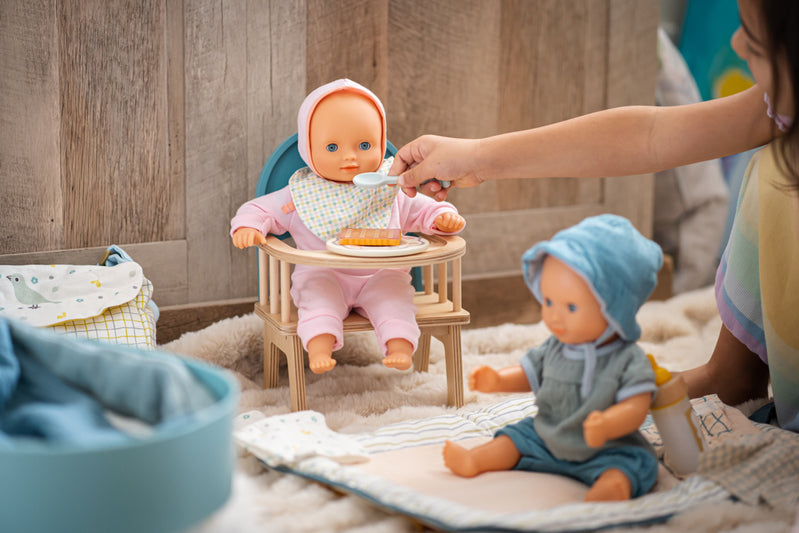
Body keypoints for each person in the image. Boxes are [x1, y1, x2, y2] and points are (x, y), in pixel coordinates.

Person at [390, 0, 799, 432]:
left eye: (754, 38)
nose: (737, 42)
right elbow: (650, 135)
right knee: (776, 167)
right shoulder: (779, 104)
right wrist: (476, 157)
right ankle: (732, 372)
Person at [231, 79, 465, 374]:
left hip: (382, 274)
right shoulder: (302, 194)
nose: (350, 157)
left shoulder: (388, 186)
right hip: (323, 274)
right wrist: (250, 226)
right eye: (332, 147)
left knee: (395, 300)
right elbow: (259, 208)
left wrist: (441, 217)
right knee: (317, 300)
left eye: (365, 145)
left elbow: (422, 208)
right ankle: (319, 349)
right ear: (308, 148)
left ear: (381, 142)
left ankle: (400, 347)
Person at [442, 215, 663, 501]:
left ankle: (612, 487)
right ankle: (475, 460)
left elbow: (637, 405)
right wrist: (497, 380)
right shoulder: (555, 347)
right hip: (548, 434)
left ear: (615, 310)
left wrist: (609, 424)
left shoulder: (627, 359)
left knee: (634, 464)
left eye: (570, 307)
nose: (553, 316)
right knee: (515, 437)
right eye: (547, 302)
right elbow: (529, 373)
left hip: (605, 446)